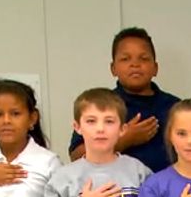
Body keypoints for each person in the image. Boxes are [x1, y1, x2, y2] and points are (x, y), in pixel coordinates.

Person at [68, 27, 180, 173]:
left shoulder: (175, 107)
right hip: (113, 191)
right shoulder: (99, 106)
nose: (135, 64)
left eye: (144, 58)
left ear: (155, 68)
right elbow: (77, 156)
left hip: (166, 190)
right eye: (125, 59)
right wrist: (125, 139)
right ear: (113, 68)